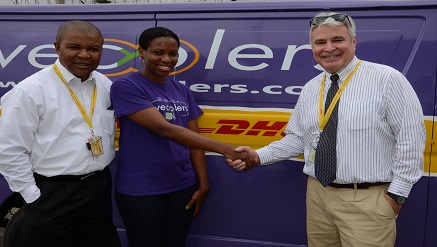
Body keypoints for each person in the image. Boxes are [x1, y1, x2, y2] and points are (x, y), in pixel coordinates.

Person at [228, 12, 426, 247]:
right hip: (318, 196)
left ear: (353, 42)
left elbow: (411, 140)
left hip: (367, 200)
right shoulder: (312, 87)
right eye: (320, 42)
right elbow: (298, 139)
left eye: (337, 40)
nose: (328, 48)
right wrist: (257, 156)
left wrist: (395, 197)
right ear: (312, 47)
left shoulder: (387, 79)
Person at [110, 26, 252, 247]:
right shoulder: (126, 86)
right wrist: (226, 149)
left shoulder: (182, 90)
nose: (167, 59)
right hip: (142, 188)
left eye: (173, 53)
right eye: (158, 52)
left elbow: (193, 139)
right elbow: (163, 128)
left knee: (175, 243)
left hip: (182, 185)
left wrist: (203, 184)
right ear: (142, 52)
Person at [0, 21, 118, 247]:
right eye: (74, 47)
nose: (84, 55)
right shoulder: (30, 90)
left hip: (98, 185)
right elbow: (8, 148)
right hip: (53, 190)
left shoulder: (104, 85)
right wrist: (32, 195)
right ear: (57, 47)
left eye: (93, 49)